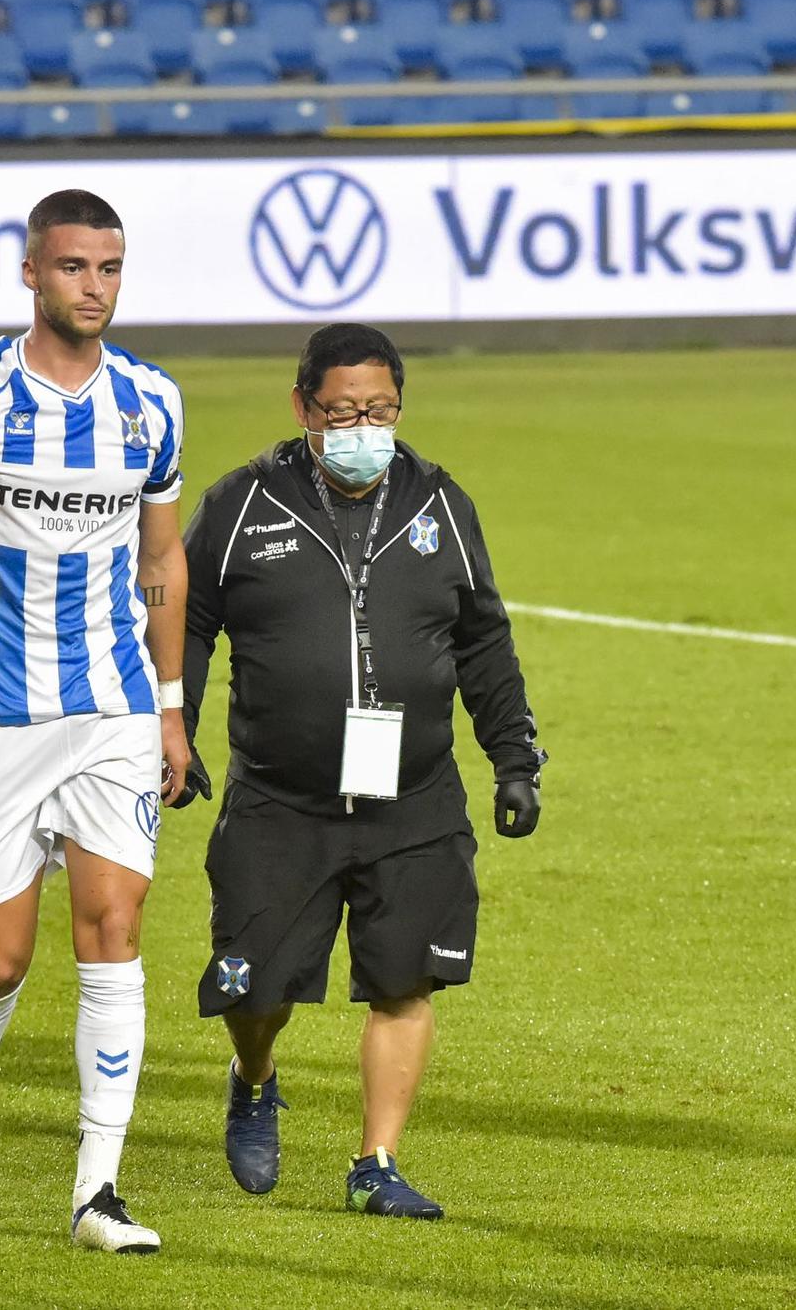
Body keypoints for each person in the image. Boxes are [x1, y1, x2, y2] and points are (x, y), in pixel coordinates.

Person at [179, 322, 544, 1220]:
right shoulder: (238, 507)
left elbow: (483, 636)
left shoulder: (440, 506)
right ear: (303, 406)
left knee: (403, 980)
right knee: (254, 985)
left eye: (378, 409)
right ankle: (255, 1076)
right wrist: (173, 729)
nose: (361, 426)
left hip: (413, 796)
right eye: (342, 410)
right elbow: (186, 623)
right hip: (279, 797)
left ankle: (376, 1162)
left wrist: (513, 756)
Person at [0, 190, 190, 1254]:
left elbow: (160, 559)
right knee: (0, 961)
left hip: (110, 699)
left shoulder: (151, 401)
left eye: (108, 268)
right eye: (72, 267)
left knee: (112, 934)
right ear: (29, 272)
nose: (94, 287)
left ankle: (95, 1190)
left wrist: (167, 706)